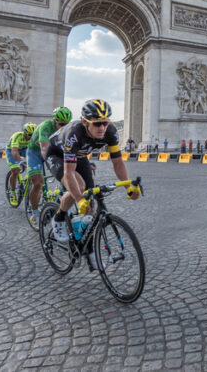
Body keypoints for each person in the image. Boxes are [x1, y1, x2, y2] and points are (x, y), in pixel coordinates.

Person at [45, 99, 140, 269]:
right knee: (80, 188)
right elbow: (68, 173)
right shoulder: (74, 134)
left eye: (105, 122)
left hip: (80, 156)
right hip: (57, 155)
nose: (102, 128)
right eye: (97, 124)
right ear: (84, 122)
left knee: (92, 206)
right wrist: (79, 199)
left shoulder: (111, 132)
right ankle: (59, 217)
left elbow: (118, 163)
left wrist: (128, 186)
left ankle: (89, 250)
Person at [26, 107, 73, 226]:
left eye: (66, 124)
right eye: (61, 124)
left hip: (53, 150)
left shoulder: (68, 128)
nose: (63, 127)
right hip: (35, 152)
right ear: (54, 120)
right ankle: (34, 213)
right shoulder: (46, 126)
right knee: (38, 183)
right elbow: (44, 148)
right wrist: (51, 165)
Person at [5, 122, 36, 205]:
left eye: (33, 135)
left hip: (24, 149)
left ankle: (26, 180)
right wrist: (21, 162)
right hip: (11, 150)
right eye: (29, 134)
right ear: (25, 133)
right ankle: (12, 193)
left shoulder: (34, 138)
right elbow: (14, 152)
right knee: (16, 170)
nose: (31, 137)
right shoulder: (17, 135)